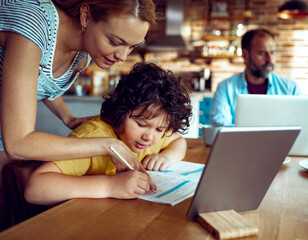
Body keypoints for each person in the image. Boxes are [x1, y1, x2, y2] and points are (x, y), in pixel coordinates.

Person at [0, 0, 156, 229]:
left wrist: (67, 117)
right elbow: (18, 143)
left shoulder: (83, 51)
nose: (122, 56)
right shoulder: (35, 25)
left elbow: (39, 81)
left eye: (132, 46)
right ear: (85, 16)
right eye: (114, 41)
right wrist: (108, 145)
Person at [24, 62, 192, 205]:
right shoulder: (94, 135)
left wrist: (167, 157)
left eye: (159, 130)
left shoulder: (153, 132)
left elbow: (178, 141)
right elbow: (35, 188)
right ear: (120, 112)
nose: (149, 137)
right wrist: (110, 186)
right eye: (141, 124)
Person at [210, 28, 302, 126]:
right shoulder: (226, 88)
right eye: (262, 53)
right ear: (245, 55)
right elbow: (219, 126)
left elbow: (301, 124)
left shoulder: (290, 89)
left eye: (273, 52)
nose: (269, 59)